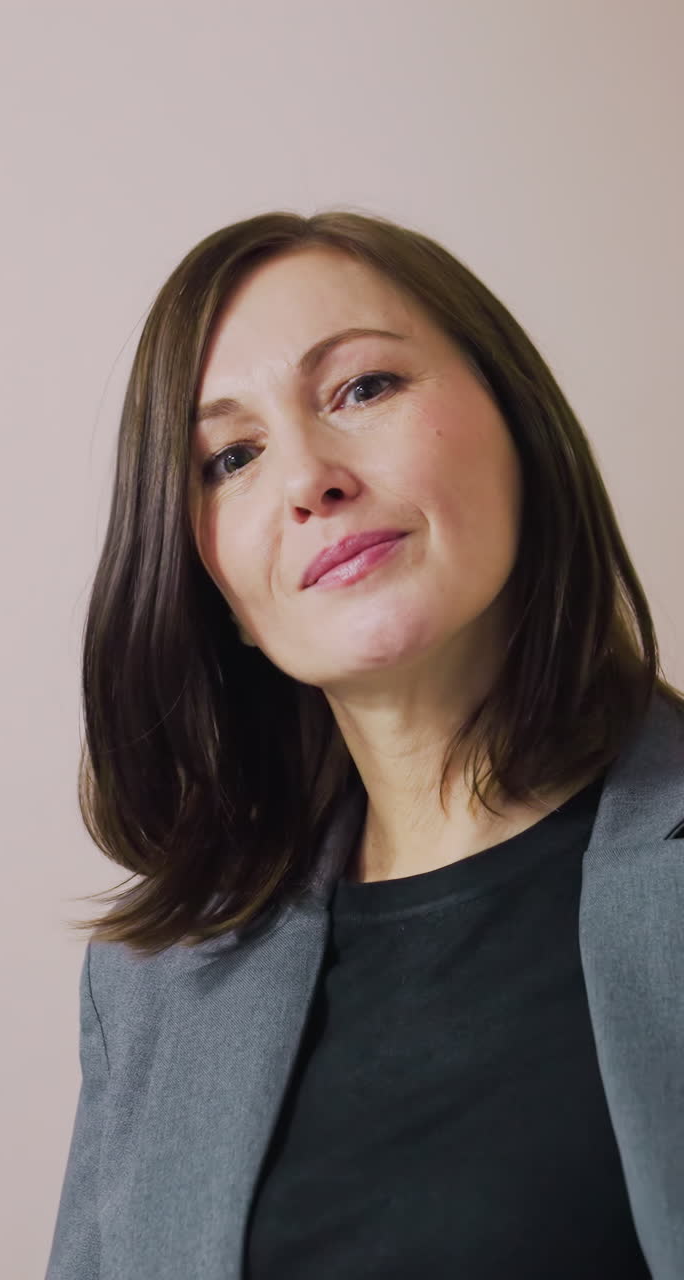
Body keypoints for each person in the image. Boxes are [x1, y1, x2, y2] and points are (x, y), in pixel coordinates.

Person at [45, 210, 684, 1279]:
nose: (309, 479)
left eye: (364, 388)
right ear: (223, 598)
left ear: (521, 424)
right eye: (232, 456)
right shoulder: (155, 987)